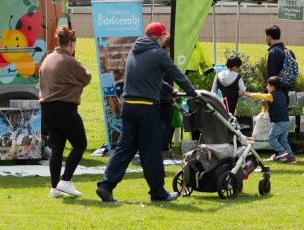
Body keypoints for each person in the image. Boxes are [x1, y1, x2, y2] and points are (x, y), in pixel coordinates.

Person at [96, 22, 197, 203]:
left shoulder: (133, 53)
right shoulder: (158, 54)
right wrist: (193, 92)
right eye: (163, 37)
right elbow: (177, 75)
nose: (164, 41)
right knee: (151, 150)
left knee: (125, 148)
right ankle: (158, 192)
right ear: (159, 37)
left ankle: (106, 185)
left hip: (128, 106)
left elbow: (148, 78)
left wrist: (168, 90)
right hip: (146, 107)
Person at [38, 27, 91, 199]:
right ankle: (66, 181)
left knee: (57, 148)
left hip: (46, 108)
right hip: (64, 108)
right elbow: (86, 77)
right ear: (71, 43)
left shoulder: (48, 59)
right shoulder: (68, 61)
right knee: (80, 143)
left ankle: (54, 187)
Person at [265, 76, 296, 163]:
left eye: (268, 85)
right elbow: (276, 106)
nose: (267, 87)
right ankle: (291, 158)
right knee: (283, 140)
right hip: (286, 121)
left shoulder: (271, 95)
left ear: (272, 87)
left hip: (280, 122)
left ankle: (283, 152)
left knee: (271, 138)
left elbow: (260, 96)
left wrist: (247, 94)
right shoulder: (281, 94)